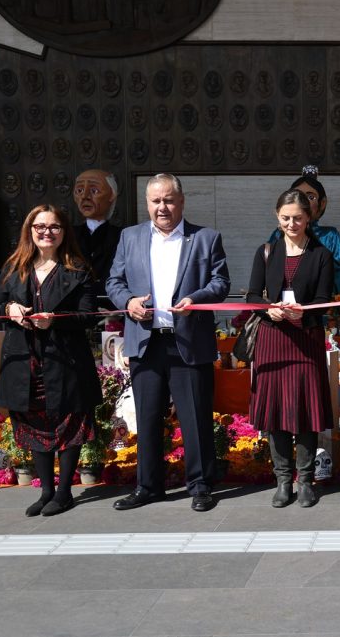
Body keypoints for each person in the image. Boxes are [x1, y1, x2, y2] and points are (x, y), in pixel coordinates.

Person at [107, 173, 230, 512]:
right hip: (146, 342)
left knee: (195, 417)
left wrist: (197, 298)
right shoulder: (129, 237)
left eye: (168, 200)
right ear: (147, 204)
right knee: (146, 418)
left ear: (181, 201)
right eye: (155, 201)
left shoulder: (205, 238)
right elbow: (114, 281)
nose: (162, 207)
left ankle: (201, 484)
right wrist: (129, 301)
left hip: (187, 342)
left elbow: (220, 282)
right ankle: (148, 486)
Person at [0, 203, 100, 517]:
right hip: (25, 361)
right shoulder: (14, 267)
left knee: (69, 423)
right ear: (30, 230)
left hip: (65, 361)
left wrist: (57, 320)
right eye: (39, 226)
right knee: (34, 421)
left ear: (64, 232)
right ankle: (46, 491)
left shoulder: (78, 268)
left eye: (53, 227)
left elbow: (89, 315)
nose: (46, 232)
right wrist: (10, 310)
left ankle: (64, 492)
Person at [246, 189, 334, 508]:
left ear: (309, 217)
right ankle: (283, 480)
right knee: (276, 412)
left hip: (305, 338)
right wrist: (268, 308)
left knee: (305, 410)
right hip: (273, 338)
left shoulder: (321, 254)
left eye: (298, 217)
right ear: (276, 216)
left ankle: (306, 480)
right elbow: (253, 296)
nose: (292, 223)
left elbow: (325, 299)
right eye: (285, 218)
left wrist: (305, 310)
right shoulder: (266, 251)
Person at [269, 166, 340, 292]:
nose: (303, 202)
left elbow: (338, 271)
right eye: (298, 196)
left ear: (322, 204)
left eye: (311, 197)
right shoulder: (279, 233)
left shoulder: (330, 235)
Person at [72, 169, 123, 285]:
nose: (85, 196)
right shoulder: (67, 235)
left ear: (112, 195)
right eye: (79, 190)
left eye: (94, 190)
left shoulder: (124, 236)